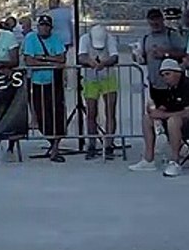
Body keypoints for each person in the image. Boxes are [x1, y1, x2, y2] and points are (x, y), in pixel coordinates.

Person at [128, 59, 189, 177]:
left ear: (177, 72)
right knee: (147, 119)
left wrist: (163, 115)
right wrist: (155, 112)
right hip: (179, 122)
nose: (165, 78)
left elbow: (188, 113)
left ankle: (175, 161)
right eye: (162, 75)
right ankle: (148, 160)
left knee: (173, 121)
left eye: (168, 74)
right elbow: (165, 106)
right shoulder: (171, 88)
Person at [21, 15, 68, 163]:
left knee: (57, 114)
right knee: (41, 115)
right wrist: (51, 61)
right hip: (38, 82)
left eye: (47, 26)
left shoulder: (56, 39)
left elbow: (62, 59)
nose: (44, 28)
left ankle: (55, 147)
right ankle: (51, 141)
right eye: (42, 25)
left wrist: (42, 59)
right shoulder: (31, 38)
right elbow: (29, 61)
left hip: (54, 82)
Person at [78, 24, 121, 160]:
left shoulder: (110, 38)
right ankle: (91, 144)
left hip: (108, 77)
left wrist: (105, 63)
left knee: (110, 111)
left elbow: (115, 56)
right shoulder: (84, 39)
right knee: (91, 112)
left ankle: (109, 144)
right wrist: (90, 61)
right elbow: (81, 56)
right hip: (90, 78)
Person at [133, 8, 186, 95]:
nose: (155, 22)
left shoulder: (171, 34)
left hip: (173, 84)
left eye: (157, 19)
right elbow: (141, 57)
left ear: (162, 19)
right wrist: (137, 57)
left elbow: (183, 53)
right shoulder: (145, 38)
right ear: (148, 21)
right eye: (152, 19)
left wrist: (166, 54)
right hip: (154, 84)